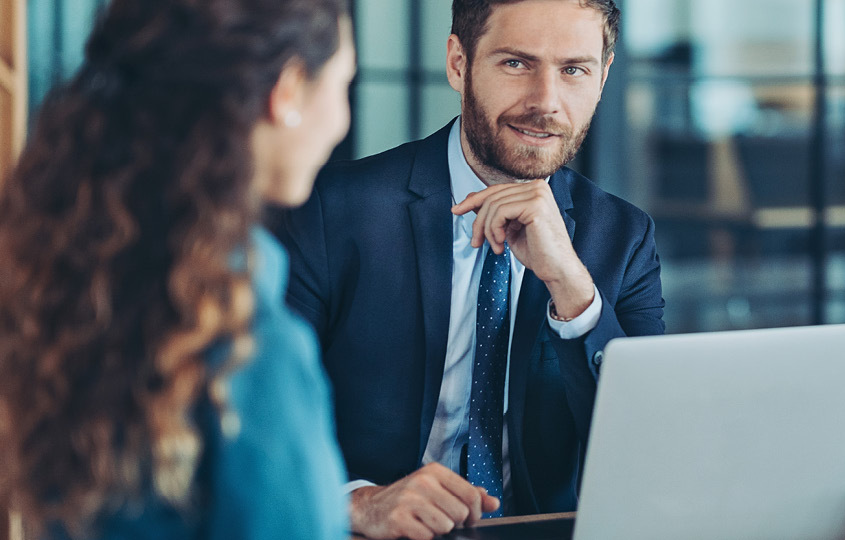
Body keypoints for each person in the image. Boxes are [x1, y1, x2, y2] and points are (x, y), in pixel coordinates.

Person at [273, 0, 663, 537]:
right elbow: (250, 420)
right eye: (516, 64)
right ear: (459, 62)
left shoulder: (623, 238)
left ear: (603, 77)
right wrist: (358, 502)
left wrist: (571, 287)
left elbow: (650, 448)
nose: (545, 103)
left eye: (574, 70)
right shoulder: (329, 211)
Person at [0, 0, 357, 539]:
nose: (341, 121)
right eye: (341, 87)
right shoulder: (251, 348)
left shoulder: (75, 291)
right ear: (286, 92)